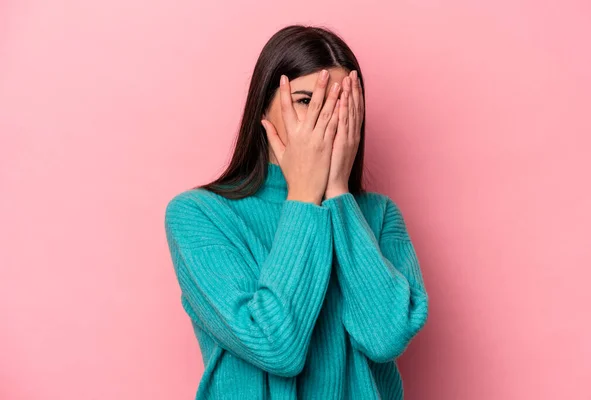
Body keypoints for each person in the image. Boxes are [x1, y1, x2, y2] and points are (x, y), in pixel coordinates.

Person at [164, 24, 429, 399]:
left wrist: (337, 192)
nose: (326, 119)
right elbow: (275, 345)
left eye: (341, 104)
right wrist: (304, 194)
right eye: (306, 101)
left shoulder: (379, 216)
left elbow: (385, 338)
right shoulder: (200, 215)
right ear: (264, 109)